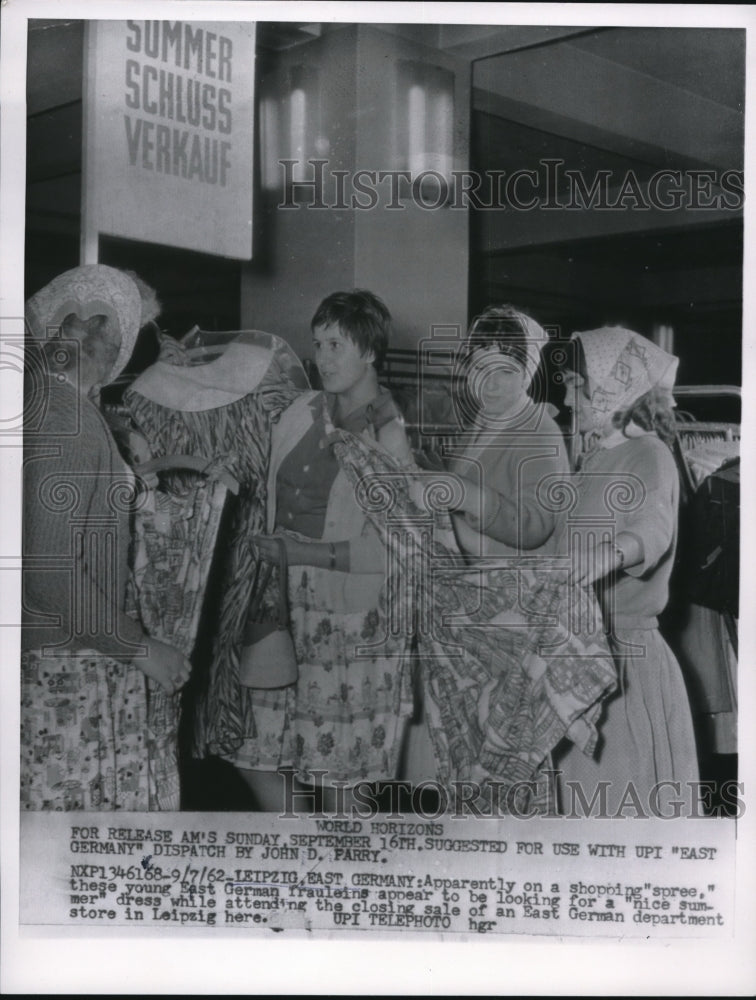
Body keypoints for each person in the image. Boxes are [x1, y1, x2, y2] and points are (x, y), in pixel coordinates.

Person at [230, 289, 415, 811]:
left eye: (337, 345)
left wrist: (300, 554)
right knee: (254, 752)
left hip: (351, 620)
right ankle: (300, 844)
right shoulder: (301, 409)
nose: (323, 358)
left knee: (340, 775)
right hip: (280, 604)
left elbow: (395, 553)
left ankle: (339, 858)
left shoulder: (388, 435)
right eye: (318, 344)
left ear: (370, 351)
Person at [21, 264, 191, 810]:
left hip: (67, 652)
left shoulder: (52, 406)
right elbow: (48, 571)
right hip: (64, 662)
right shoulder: (64, 417)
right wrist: (139, 648)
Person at [555, 326, 699, 817]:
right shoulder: (593, 457)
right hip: (579, 654)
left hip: (624, 665)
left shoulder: (651, 454)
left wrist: (605, 556)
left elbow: (653, 528)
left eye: (577, 386)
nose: (567, 398)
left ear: (613, 388)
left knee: (614, 812)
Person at [442, 304, 569, 557]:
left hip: (518, 577)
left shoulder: (540, 432)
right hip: (477, 571)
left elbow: (534, 526)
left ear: (526, 374)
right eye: (480, 368)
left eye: (505, 371)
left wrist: (461, 511)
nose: (490, 384)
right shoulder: (481, 424)